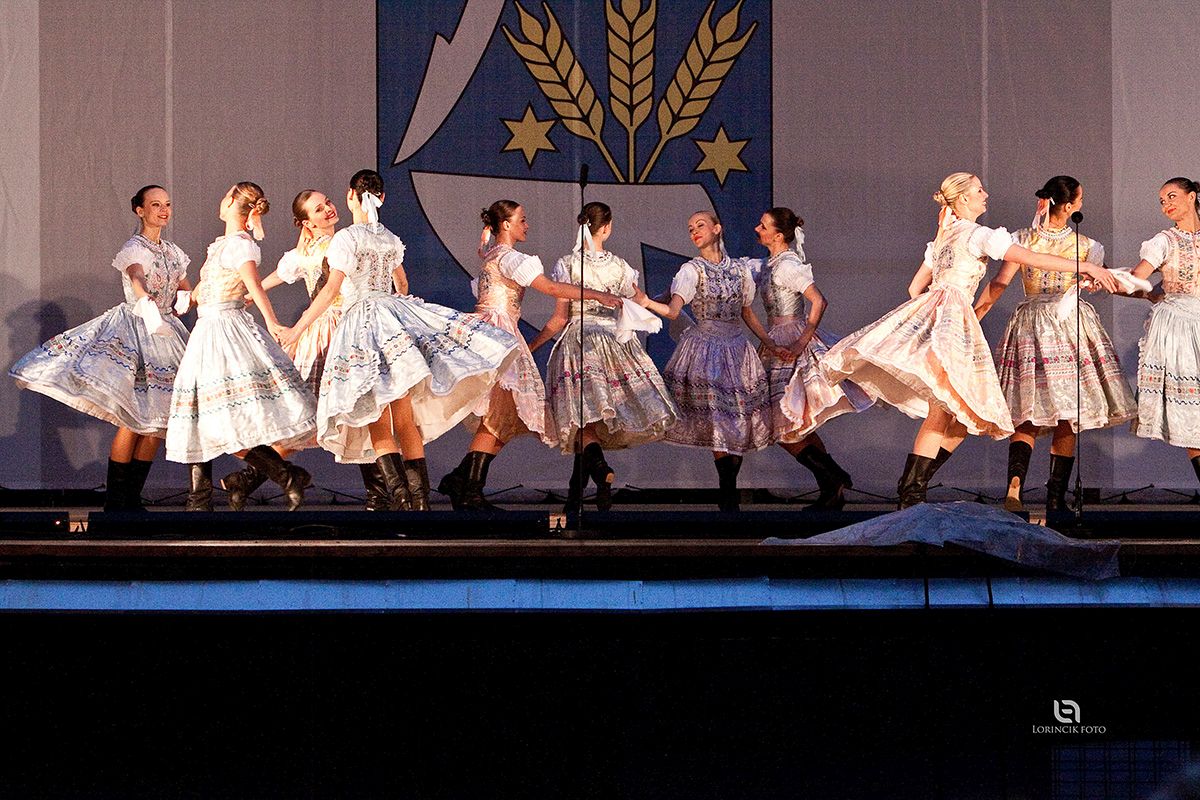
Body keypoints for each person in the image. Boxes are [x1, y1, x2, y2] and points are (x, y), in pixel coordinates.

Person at [820, 172, 1119, 507]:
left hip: (945, 319)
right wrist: (1086, 267)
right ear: (963, 198)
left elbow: (915, 288)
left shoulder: (945, 237)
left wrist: (939, 307)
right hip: (954, 322)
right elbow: (1030, 257)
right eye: (979, 190)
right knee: (945, 410)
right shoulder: (978, 235)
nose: (985, 194)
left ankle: (913, 487)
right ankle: (911, 494)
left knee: (960, 415)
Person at [279, 170, 519, 511]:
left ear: (351, 196)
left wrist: (298, 328)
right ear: (382, 199)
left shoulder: (346, 238)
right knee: (405, 420)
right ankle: (419, 502)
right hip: (389, 319)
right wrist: (397, 313)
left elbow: (331, 290)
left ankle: (401, 497)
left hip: (361, 324)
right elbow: (402, 285)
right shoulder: (390, 238)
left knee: (377, 418)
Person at [10, 185, 191, 511]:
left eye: (166, 204)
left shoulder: (174, 252)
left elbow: (185, 287)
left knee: (158, 423)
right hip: (138, 328)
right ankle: (116, 500)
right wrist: (147, 302)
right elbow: (137, 278)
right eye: (155, 205)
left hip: (167, 334)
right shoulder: (135, 248)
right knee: (133, 419)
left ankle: (132, 498)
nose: (163, 210)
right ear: (140, 210)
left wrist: (191, 297)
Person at [438, 200, 622, 510]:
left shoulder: (493, 255)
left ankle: (463, 481)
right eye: (522, 220)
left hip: (492, 333)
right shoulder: (510, 258)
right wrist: (597, 294)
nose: (527, 225)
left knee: (503, 415)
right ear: (506, 224)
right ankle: (467, 487)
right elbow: (550, 288)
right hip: (498, 334)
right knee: (500, 415)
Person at [219, 190, 388, 511]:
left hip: (341, 328)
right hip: (329, 332)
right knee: (339, 412)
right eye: (318, 209)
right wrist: (250, 293)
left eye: (327, 204)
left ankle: (247, 479)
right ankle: (377, 495)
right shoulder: (315, 250)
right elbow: (281, 275)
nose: (328, 209)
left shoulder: (334, 244)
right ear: (306, 222)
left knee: (349, 411)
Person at [975, 176, 1136, 512]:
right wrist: (1147, 291)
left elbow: (1000, 283)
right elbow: (1110, 281)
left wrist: (975, 314)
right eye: (1080, 199)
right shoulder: (1082, 246)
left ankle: (1017, 490)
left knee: (1031, 411)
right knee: (1063, 413)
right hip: (1065, 325)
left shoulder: (1027, 239)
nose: (1082, 204)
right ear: (1069, 205)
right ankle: (1053, 498)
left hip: (1038, 323)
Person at [165, 182, 317, 511]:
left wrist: (272, 322)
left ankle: (285, 476)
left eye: (225, 195)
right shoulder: (223, 245)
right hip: (207, 330)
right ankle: (200, 501)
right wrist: (177, 301)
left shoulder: (239, 245)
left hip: (225, 333)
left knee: (223, 418)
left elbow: (254, 287)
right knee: (198, 414)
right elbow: (204, 289)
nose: (220, 200)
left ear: (233, 201)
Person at [527, 202, 679, 511]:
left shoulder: (568, 264)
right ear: (606, 228)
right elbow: (636, 304)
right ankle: (584, 493)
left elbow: (559, 318)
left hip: (580, 342)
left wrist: (531, 347)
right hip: (614, 344)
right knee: (589, 421)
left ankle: (598, 471)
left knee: (583, 419)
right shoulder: (622, 267)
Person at [639, 211, 782, 511]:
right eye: (690, 228)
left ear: (717, 228)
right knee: (718, 420)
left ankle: (729, 488)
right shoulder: (692, 270)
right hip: (706, 348)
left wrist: (769, 343)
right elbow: (673, 310)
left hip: (737, 349)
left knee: (737, 421)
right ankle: (727, 491)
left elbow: (746, 311)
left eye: (700, 225)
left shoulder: (741, 269)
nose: (694, 231)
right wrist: (645, 301)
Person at [746, 207, 872, 509]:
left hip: (789, 339)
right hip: (777, 338)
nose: (757, 229)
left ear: (778, 235)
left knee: (781, 423)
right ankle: (831, 489)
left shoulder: (788, 266)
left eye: (763, 226)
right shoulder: (770, 264)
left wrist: (802, 340)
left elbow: (818, 300)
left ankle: (832, 475)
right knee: (794, 424)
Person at [1122, 178, 1200, 482]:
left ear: (1192, 197)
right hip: (1178, 327)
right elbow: (1136, 279)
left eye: (1172, 196)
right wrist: (1146, 292)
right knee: (1192, 412)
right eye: (1162, 200)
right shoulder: (1164, 241)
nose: (1166, 204)